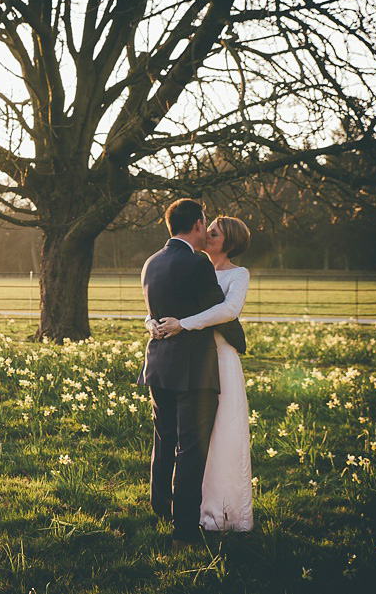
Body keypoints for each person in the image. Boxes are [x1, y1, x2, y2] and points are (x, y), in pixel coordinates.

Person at [137, 199, 245, 547]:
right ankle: (184, 529)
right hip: (193, 368)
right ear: (197, 223)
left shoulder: (151, 261)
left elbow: (155, 309)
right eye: (207, 225)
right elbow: (216, 304)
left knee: (164, 439)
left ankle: (160, 507)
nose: (209, 231)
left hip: (158, 364)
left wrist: (153, 323)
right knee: (192, 450)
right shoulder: (197, 264)